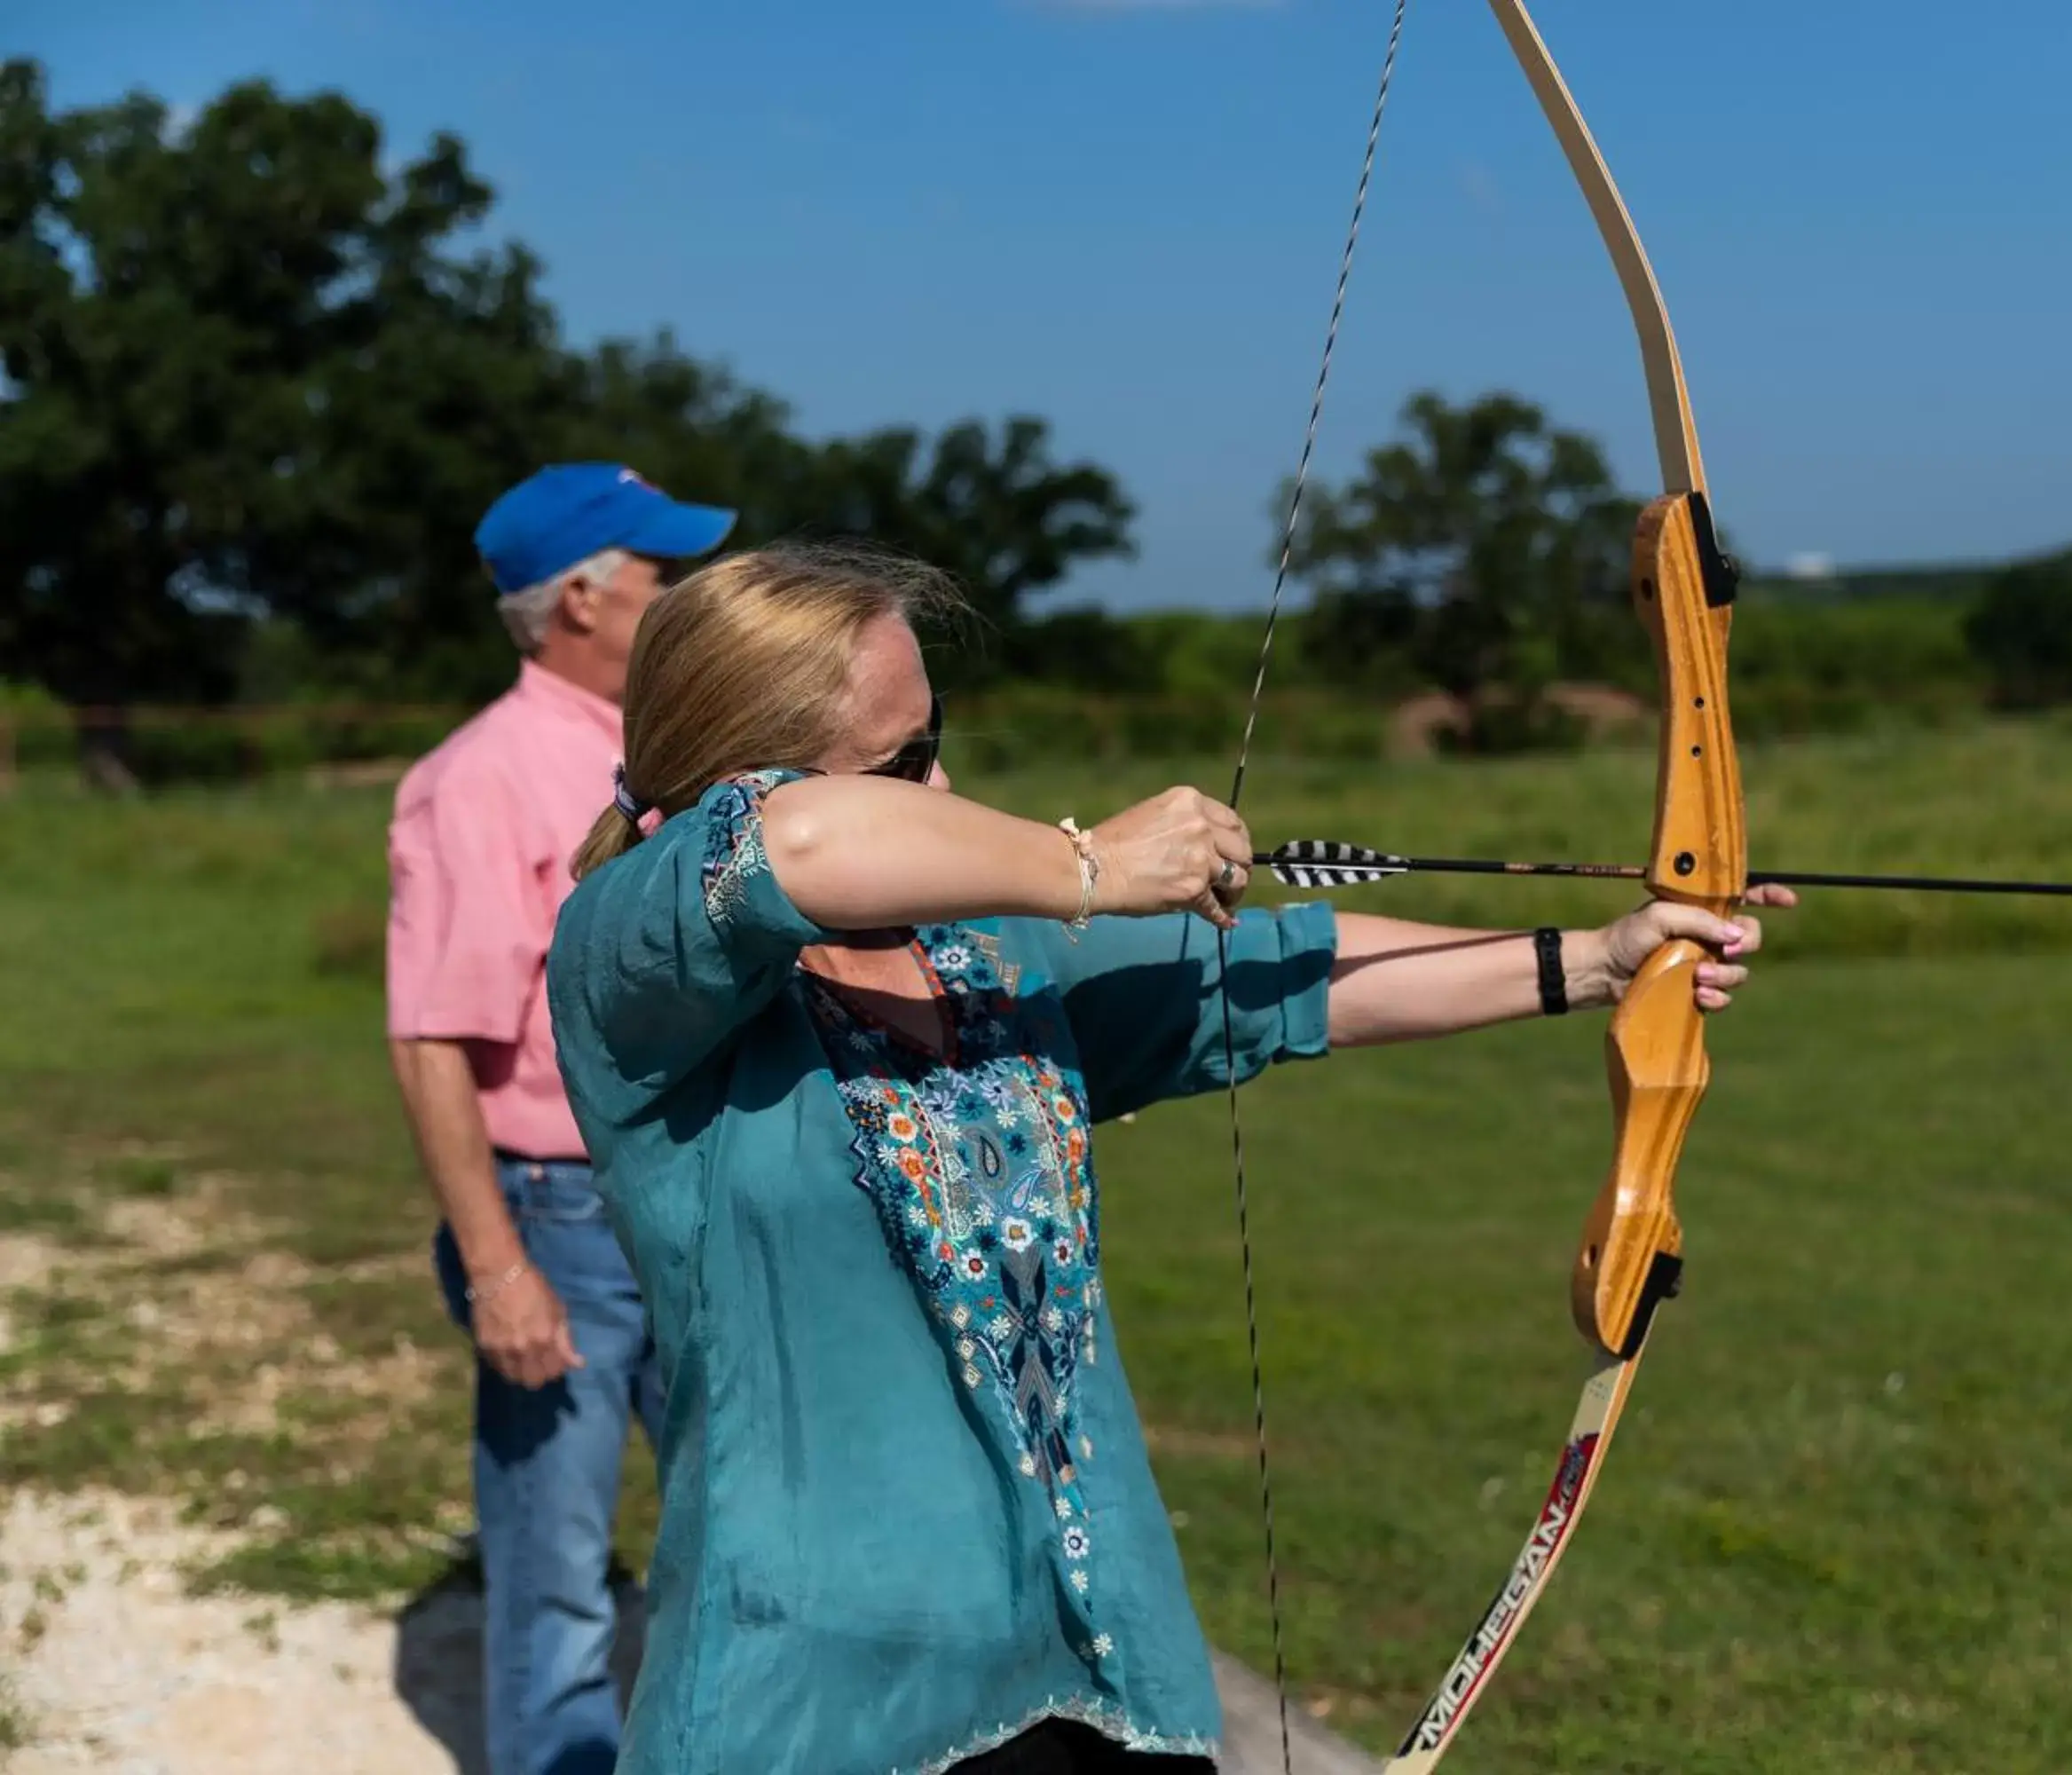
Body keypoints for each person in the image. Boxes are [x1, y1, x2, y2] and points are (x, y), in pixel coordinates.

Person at [545, 540, 1792, 1774]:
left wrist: (1607, 957)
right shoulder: (635, 965)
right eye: (905, 763)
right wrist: (1092, 865)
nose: (945, 789)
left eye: (939, 740)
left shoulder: (988, 960)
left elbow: (1284, 978)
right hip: (816, 1699)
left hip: (1095, 1677)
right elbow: (791, 846)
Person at [384, 462, 737, 1775]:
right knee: (556, 1577)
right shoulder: (473, 781)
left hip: (690, 1191)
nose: (686, 596)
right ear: (583, 598)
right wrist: (496, 1270)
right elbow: (432, 1039)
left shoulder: (670, 760)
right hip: (562, 1219)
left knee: (742, 1534)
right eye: (664, 575)